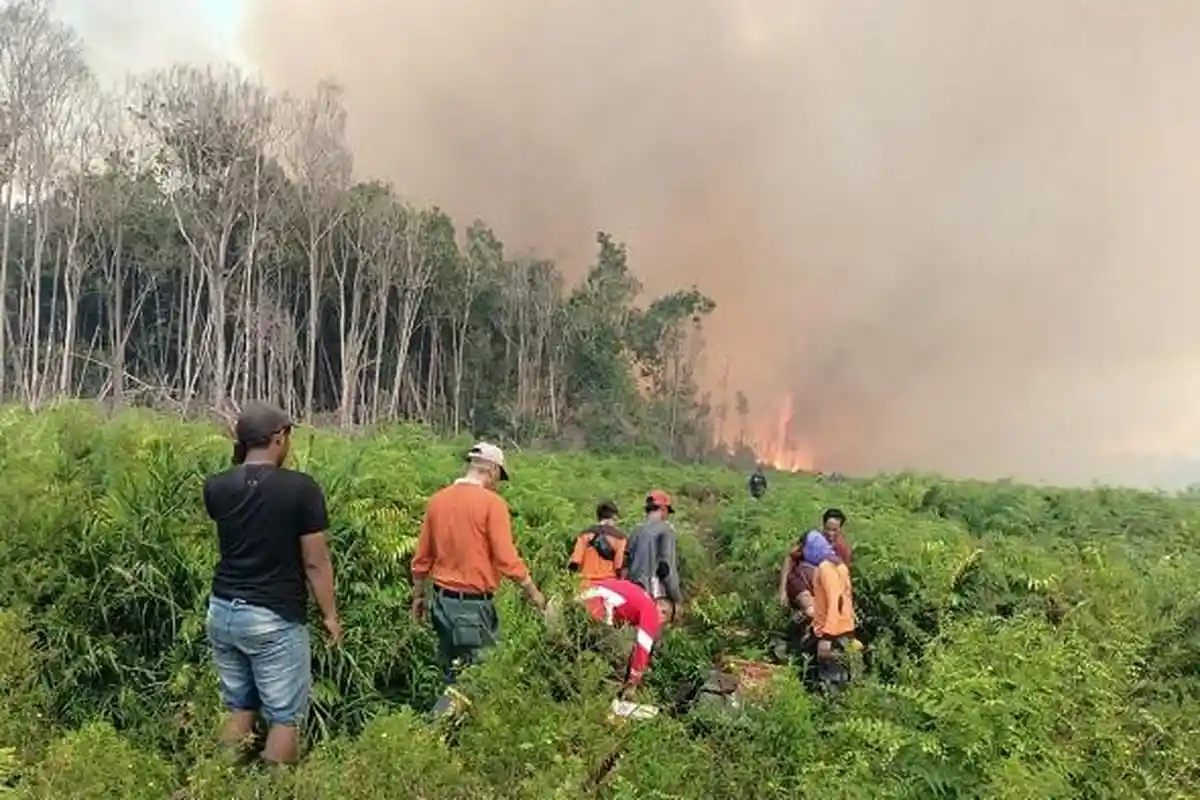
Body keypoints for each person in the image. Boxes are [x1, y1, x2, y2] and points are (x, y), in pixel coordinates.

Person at [203, 401, 341, 766]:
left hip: (222, 612)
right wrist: (330, 616)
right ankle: (276, 790)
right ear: (279, 438)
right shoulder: (301, 489)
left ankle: (218, 783)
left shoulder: (216, 486)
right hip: (273, 617)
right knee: (284, 716)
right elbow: (315, 561)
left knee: (239, 706)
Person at [410, 442, 546, 714]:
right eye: (499, 477)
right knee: (477, 678)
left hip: (442, 603)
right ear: (492, 471)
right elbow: (506, 557)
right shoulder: (492, 504)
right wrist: (534, 593)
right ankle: (430, 734)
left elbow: (422, 558)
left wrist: (418, 597)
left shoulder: (438, 500)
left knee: (453, 675)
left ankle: (447, 743)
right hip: (471, 607)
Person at [577, 578, 662, 700]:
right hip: (595, 606)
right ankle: (606, 700)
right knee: (620, 654)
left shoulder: (635, 594)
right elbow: (643, 647)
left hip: (584, 594)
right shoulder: (651, 611)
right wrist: (633, 680)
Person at [624, 490, 684, 623]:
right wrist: (676, 598)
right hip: (653, 594)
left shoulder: (635, 531)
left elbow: (625, 564)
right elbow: (666, 569)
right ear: (663, 509)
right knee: (652, 634)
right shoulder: (666, 530)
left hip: (632, 591)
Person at [568, 500, 627, 586]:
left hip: (586, 584)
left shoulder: (584, 535)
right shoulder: (620, 538)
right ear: (614, 517)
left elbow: (575, 561)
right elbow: (618, 567)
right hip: (609, 585)